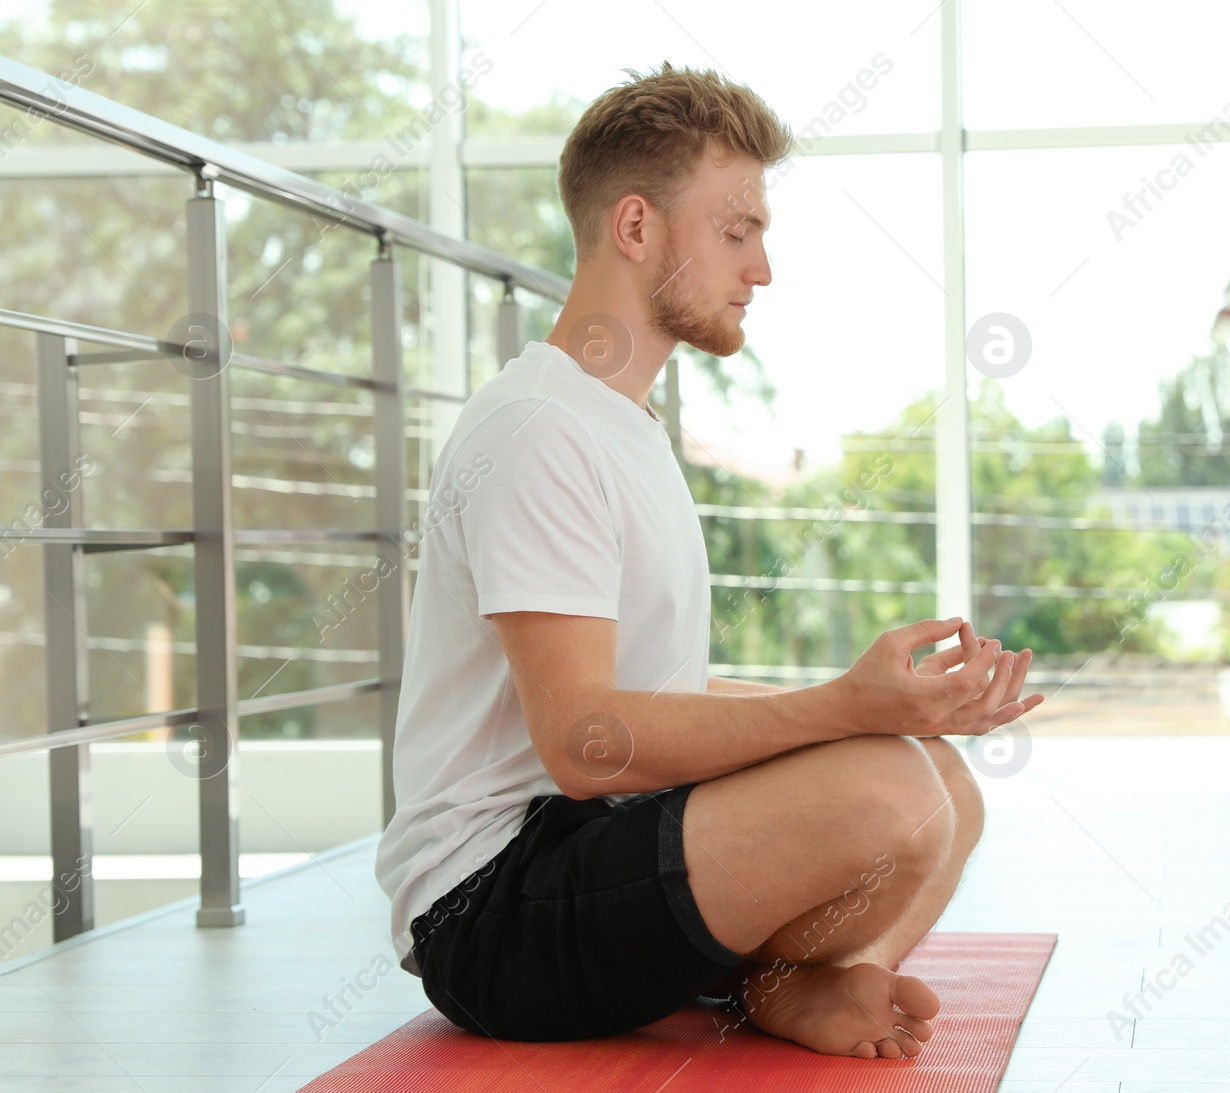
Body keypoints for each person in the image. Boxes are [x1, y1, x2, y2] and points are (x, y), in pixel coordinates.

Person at [373, 60, 1043, 1061]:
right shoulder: (536, 429)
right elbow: (584, 740)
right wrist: (844, 714)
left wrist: (883, 705)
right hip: (489, 911)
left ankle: (810, 978)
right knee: (888, 791)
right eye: (737, 233)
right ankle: (785, 974)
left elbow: (657, 692)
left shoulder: (619, 425)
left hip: (588, 844)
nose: (761, 269)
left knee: (940, 778)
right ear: (635, 229)